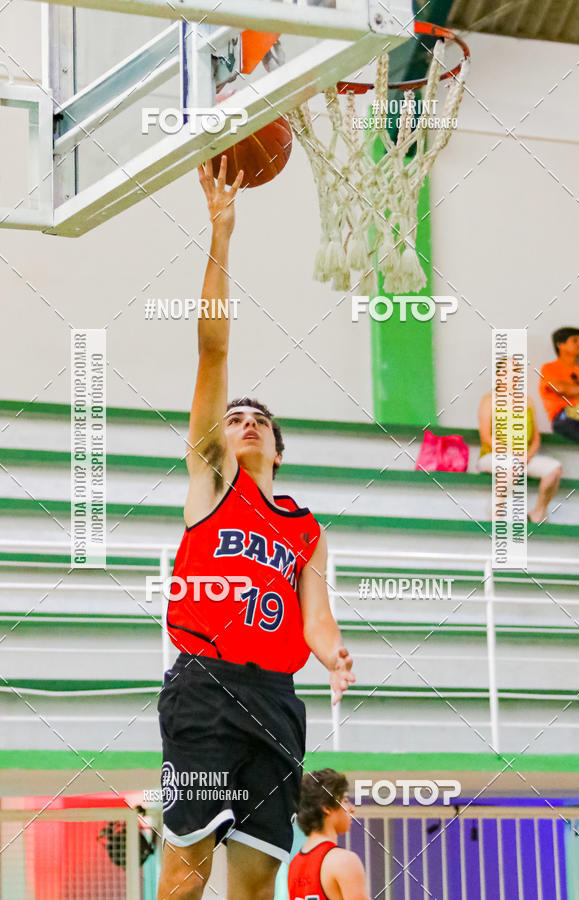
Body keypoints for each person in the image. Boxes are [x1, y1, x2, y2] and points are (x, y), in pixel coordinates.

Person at [156, 156, 355, 900]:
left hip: (277, 699)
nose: (243, 423)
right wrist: (221, 233)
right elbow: (212, 348)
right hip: (205, 688)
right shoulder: (211, 484)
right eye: (235, 417)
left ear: (277, 448)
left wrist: (335, 655)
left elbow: (317, 621)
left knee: (254, 885)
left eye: (258, 420)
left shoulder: (305, 528)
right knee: (185, 872)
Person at [477, 391, 562, 524]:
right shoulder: (488, 400)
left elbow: (536, 439)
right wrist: (509, 452)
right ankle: (495, 514)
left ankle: (538, 513)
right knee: (511, 464)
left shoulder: (528, 402)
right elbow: (485, 436)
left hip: (522, 457)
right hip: (492, 456)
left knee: (554, 469)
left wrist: (527, 456)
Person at [288, 769, 368, 900]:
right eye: (345, 800)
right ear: (327, 807)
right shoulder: (344, 861)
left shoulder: (294, 865)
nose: (352, 808)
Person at [539, 327, 579, 447]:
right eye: (575, 340)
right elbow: (560, 388)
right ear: (560, 344)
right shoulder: (549, 368)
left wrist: (574, 392)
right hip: (564, 416)